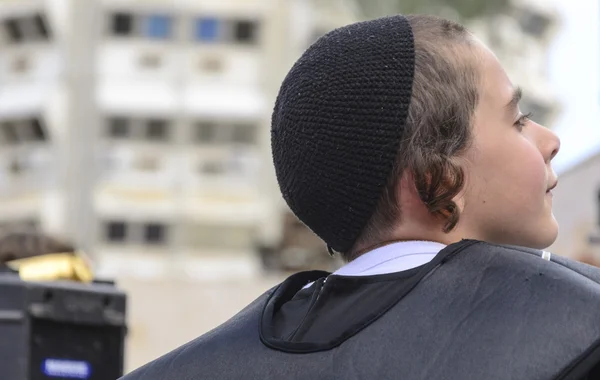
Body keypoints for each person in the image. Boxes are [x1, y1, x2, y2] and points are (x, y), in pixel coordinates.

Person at [121, 14, 600, 380]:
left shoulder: (197, 366)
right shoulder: (579, 333)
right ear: (436, 174)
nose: (550, 139)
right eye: (516, 120)